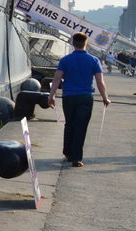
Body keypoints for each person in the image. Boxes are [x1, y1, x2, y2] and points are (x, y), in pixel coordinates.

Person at [47, 32, 111, 167]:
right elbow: (100, 81)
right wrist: (105, 97)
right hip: (85, 97)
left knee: (69, 124)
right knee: (81, 127)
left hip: (68, 97)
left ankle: (67, 152)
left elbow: (57, 78)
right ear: (86, 43)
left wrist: (51, 96)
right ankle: (76, 158)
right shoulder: (94, 60)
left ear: (73, 43)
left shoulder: (65, 60)